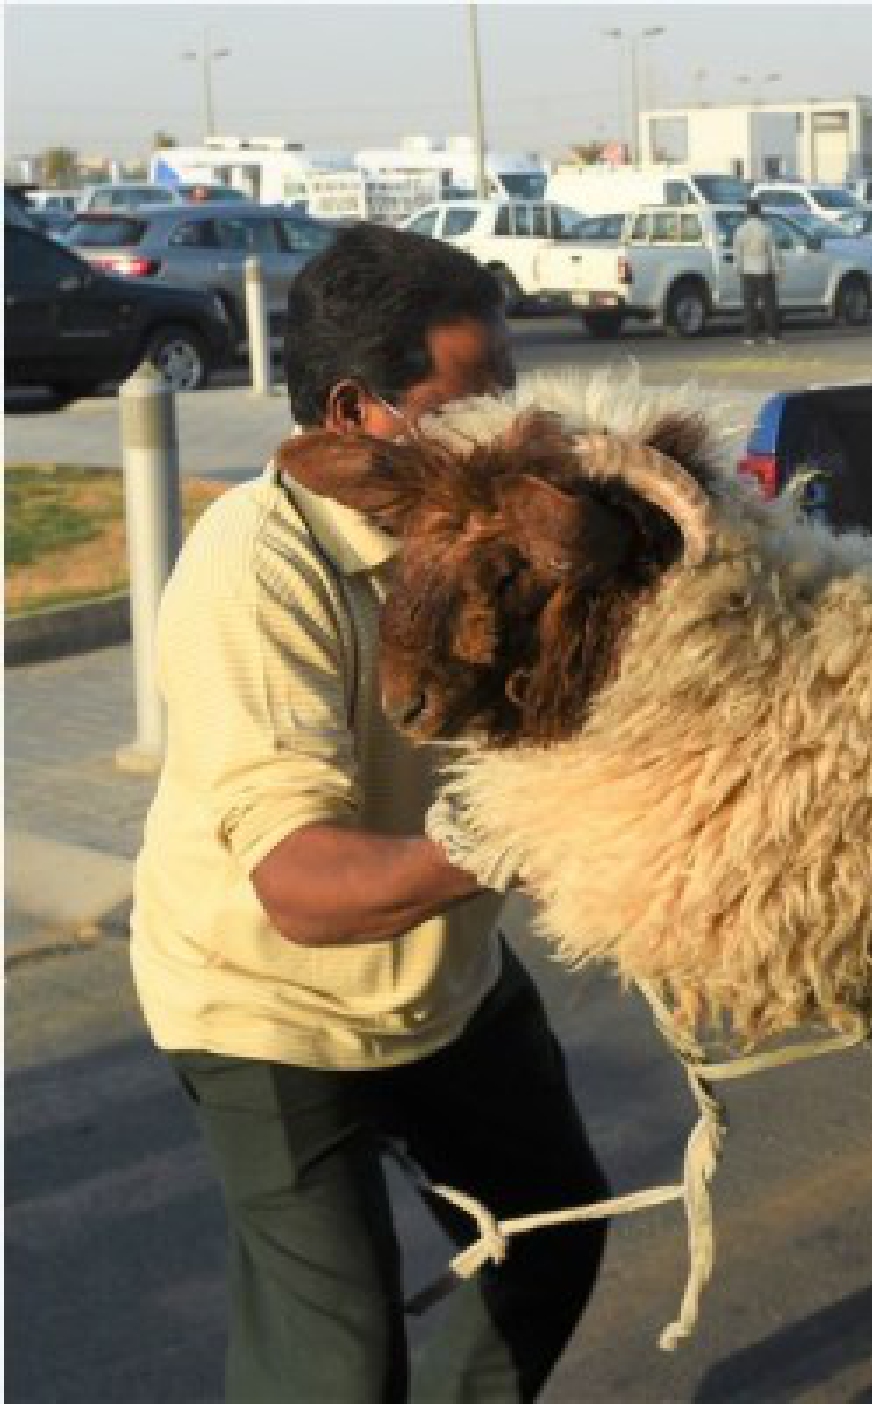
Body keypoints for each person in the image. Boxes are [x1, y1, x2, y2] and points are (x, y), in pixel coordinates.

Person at [128, 222, 609, 1402]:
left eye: (510, 393)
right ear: (355, 413)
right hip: (265, 1008)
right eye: (471, 402)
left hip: (441, 974)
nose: (506, 431)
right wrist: (512, 832)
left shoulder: (483, 535)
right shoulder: (256, 571)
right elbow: (299, 885)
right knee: (334, 1368)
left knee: (551, 1233)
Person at [736, 196, 783, 344]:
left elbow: (737, 251)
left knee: (749, 305)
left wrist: (738, 268)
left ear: (747, 212)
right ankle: (772, 336)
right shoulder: (766, 229)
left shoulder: (741, 230)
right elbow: (773, 252)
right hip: (764, 269)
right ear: (759, 212)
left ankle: (750, 336)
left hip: (747, 270)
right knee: (769, 304)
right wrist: (778, 270)